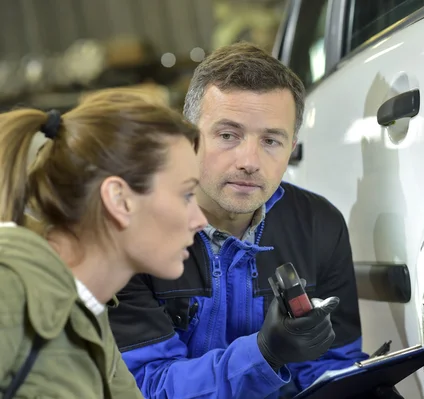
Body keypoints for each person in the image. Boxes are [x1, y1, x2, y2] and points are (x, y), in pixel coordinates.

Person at [107, 42, 369, 399]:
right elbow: (146, 386)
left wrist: (362, 388)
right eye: (228, 135)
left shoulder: (319, 225)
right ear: (189, 137)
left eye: (271, 140)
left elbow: (330, 365)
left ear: (292, 147)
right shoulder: (133, 233)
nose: (249, 160)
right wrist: (263, 354)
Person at [0, 88, 207, 398]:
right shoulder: (10, 287)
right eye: (186, 195)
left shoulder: (90, 315)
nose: (199, 219)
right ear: (119, 200)